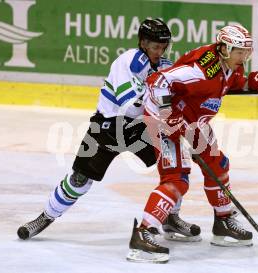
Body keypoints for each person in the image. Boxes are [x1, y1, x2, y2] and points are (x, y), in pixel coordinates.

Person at [17, 19, 201, 243]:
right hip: (108, 126)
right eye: (155, 47)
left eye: (164, 47)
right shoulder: (127, 62)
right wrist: (156, 91)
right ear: (143, 43)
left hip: (141, 128)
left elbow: (179, 93)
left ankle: (170, 217)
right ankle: (45, 217)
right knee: (79, 179)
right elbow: (129, 104)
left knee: (174, 166)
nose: (160, 52)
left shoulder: (164, 66)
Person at [126, 24, 258, 263]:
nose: (243, 57)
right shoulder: (200, 70)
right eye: (239, 52)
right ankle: (143, 234)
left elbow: (232, 82)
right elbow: (157, 82)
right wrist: (170, 117)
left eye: (246, 52)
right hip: (164, 123)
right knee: (176, 179)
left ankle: (223, 222)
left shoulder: (228, 64)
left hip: (194, 121)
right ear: (224, 48)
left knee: (218, 164)